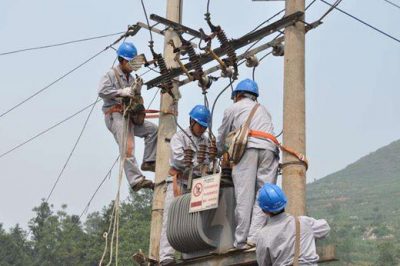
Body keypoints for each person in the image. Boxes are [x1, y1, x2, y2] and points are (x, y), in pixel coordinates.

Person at [216, 78, 280, 249]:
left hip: (248, 149)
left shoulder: (233, 108)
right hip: (269, 149)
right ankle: (254, 237)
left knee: (244, 195)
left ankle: (241, 241)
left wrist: (219, 151)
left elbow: (222, 135)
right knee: (263, 194)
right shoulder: (264, 110)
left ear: (237, 95)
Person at [98, 42, 157, 191]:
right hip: (115, 114)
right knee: (128, 147)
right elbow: (102, 91)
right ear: (122, 60)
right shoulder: (111, 74)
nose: (132, 66)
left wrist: (136, 92)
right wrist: (120, 92)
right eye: (130, 63)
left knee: (153, 130)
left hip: (128, 115)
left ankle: (149, 161)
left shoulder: (131, 79)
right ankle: (136, 180)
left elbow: (136, 101)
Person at [159, 105, 211, 265]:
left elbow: (208, 160)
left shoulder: (206, 140)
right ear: (192, 121)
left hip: (195, 183)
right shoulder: (179, 137)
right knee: (171, 217)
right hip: (179, 182)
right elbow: (179, 160)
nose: (202, 129)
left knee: (193, 218)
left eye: (204, 126)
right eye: (200, 125)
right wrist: (197, 162)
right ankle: (166, 256)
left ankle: (189, 251)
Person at [256, 183, 330, 266]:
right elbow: (325, 228)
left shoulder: (262, 235)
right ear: (285, 202)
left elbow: (264, 263)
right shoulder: (303, 222)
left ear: (264, 210)